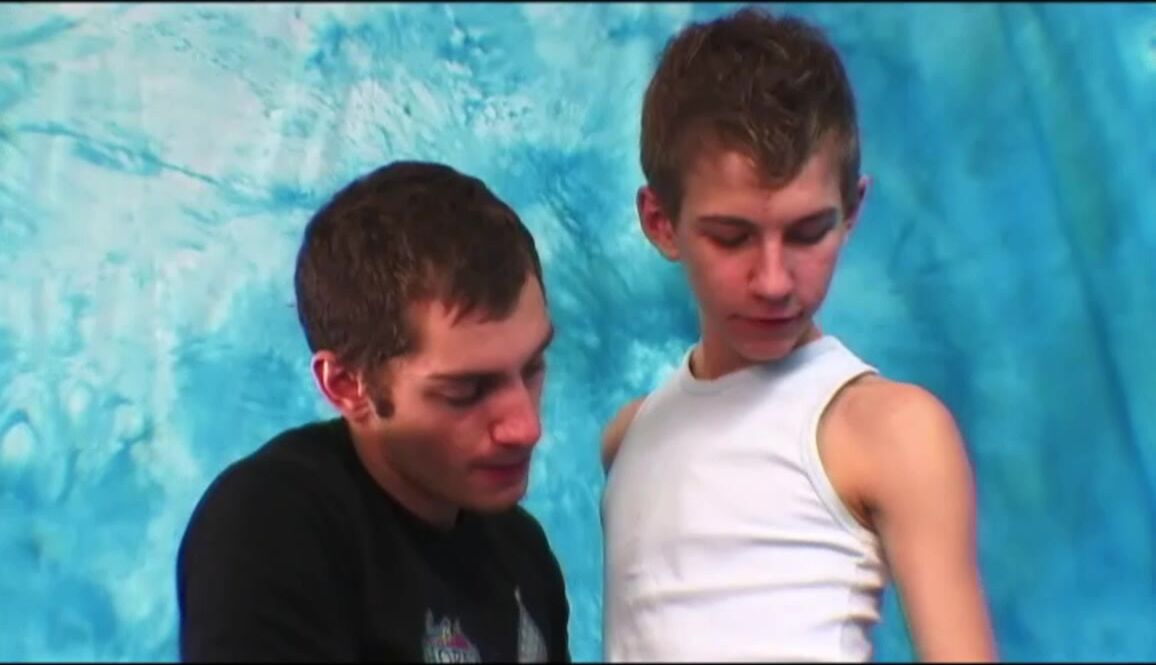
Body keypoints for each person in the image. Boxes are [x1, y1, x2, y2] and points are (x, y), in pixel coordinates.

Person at [600, 8, 997, 662]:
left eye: (809, 232)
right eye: (731, 237)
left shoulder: (892, 430)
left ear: (853, 210)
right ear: (660, 221)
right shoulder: (628, 439)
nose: (774, 281)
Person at [177, 161, 570, 662]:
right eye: (466, 391)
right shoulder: (269, 528)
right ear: (346, 386)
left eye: (533, 367)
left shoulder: (523, 554)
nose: (526, 428)